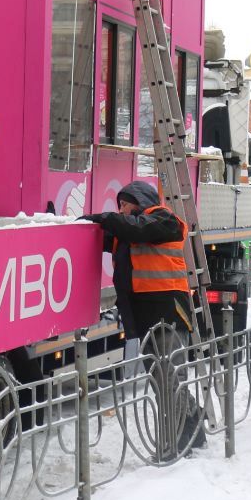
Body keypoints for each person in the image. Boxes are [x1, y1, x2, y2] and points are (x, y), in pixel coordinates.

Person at [81, 181, 206, 452]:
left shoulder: (164, 219)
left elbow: (137, 228)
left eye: (125, 204)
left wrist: (106, 218)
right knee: (162, 378)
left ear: (140, 200)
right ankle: (194, 426)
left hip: (168, 311)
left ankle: (174, 446)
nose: (122, 210)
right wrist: (83, 226)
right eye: (119, 206)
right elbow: (106, 236)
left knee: (169, 377)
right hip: (145, 313)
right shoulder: (128, 231)